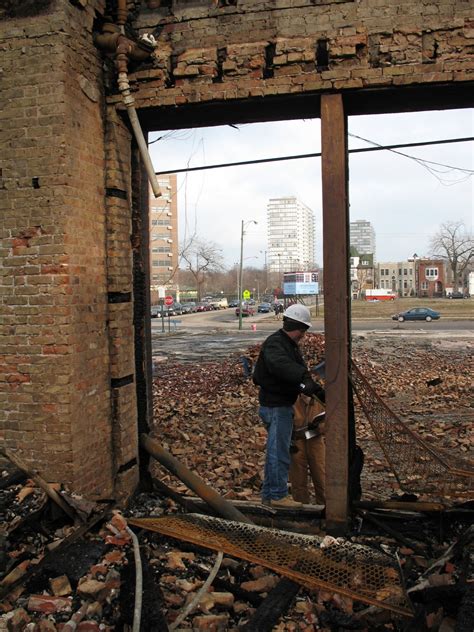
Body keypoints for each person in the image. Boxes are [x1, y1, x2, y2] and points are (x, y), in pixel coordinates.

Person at [252, 304, 325, 508]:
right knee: (279, 451)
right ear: (299, 327)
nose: (303, 335)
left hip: (280, 405)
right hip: (276, 406)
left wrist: (316, 390)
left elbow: (296, 370)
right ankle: (277, 496)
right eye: (303, 330)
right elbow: (282, 366)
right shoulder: (277, 344)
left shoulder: (286, 344)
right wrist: (302, 380)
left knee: (276, 451)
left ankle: (269, 495)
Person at [289, 393, 326, 505]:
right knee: (298, 479)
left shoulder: (320, 401)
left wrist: (316, 429)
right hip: (297, 441)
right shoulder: (292, 401)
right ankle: (301, 506)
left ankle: (325, 506)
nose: (304, 396)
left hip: (315, 441)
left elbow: (328, 423)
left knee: (320, 475)